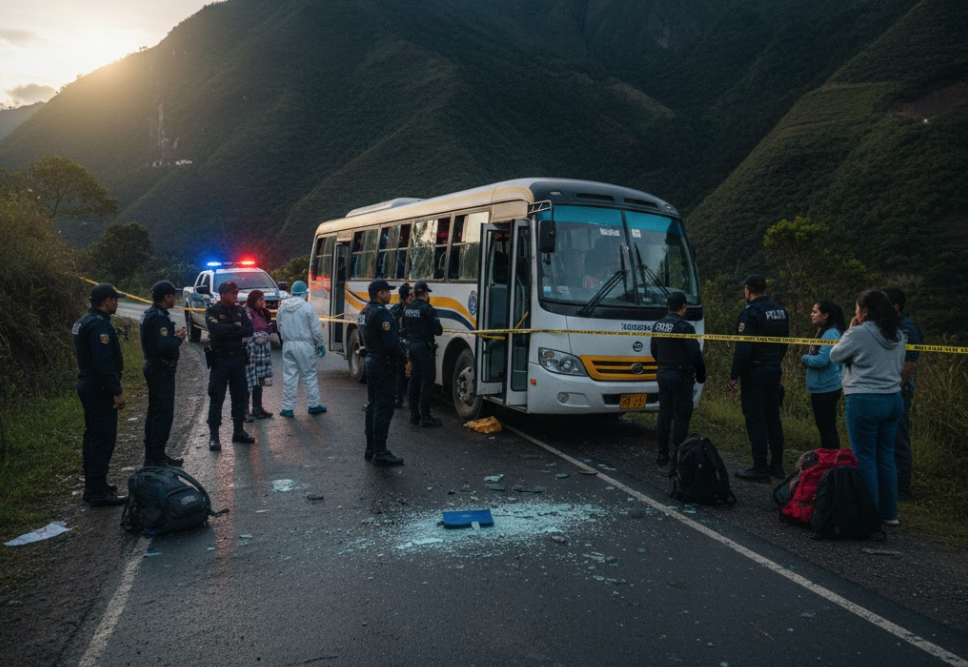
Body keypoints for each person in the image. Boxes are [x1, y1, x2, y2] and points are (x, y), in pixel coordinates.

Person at [830, 290, 906, 526]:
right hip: (893, 399)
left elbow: (835, 355)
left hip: (865, 400)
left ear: (864, 311)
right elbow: (900, 364)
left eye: (856, 309)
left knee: (864, 457)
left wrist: (851, 329)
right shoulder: (898, 335)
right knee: (885, 456)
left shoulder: (858, 333)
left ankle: (868, 514)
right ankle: (889, 513)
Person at [727, 274, 789, 482]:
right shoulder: (780, 311)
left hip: (755, 372)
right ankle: (777, 466)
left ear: (747, 290)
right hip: (773, 369)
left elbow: (743, 349)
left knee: (755, 418)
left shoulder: (750, 313)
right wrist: (774, 362)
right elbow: (785, 343)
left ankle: (760, 467)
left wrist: (734, 375)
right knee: (772, 416)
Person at [72, 283, 127, 506]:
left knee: (93, 436)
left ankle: (96, 484)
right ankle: (96, 491)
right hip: (98, 388)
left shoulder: (84, 320)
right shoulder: (98, 326)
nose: (117, 303)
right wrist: (116, 392)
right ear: (106, 300)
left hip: (90, 385)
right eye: (115, 299)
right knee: (103, 438)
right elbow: (103, 363)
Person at [650, 291, 706, 466]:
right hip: (680, 376)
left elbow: (654, 350)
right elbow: (695, 354)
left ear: (668, 307)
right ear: (684, 307)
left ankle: (662, 454)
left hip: (663, 373)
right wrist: (702, 374)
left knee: (664, 413)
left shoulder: (658, 325)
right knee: (681, 415)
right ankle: (679, 455)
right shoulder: (685, 327)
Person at [140, 280, 187, 467]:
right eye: (173, 295)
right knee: (162, 414)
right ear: (166, 297)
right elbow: (164, 346)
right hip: (160, 369)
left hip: (154, 367)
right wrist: (178, 339)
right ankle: (157, 457)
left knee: (154, 413)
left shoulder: (149, 314)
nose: (175, 298)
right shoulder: (159, 318)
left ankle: (154, 455)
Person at [359, 279, 406, 465]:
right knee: (383, 408)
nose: (390, 294)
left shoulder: (364, 311)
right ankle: (380, 451)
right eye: (387, 291)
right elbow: (392, 344)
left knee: (373, 405)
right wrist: (405, 360)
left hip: (371, 361)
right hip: (384, 364)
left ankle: (371, 448)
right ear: (380, 293)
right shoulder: (382, 314)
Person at [883, 287, 922, 502]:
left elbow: (909, 365)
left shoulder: (907, 328)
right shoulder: (888, 325)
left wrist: (897, 388)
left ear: (895, 307)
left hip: (899, 389)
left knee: (899, 439)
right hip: (884, 388)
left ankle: (901, 490)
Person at [206, 280, 255, 451]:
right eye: (232, 292)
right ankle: (214, 436)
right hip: (220, 361)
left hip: (237, 359)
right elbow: (215, 331)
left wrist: (228, 329)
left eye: (236, 292)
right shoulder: (213, 310)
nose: (235, 295)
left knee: (240, 396)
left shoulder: (240, 310)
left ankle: (239, 431)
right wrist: (235, 329)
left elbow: (249, 329)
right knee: (217, 397)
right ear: (223, 294)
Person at [276, 280, 327, 418]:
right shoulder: (308, 308)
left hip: (288, 344)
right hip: (305, 345)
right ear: (304, 293)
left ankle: (287, 408)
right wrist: (319, 345)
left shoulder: (283, 307)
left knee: (290, 376)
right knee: (309, 375)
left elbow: (278, 326)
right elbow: (316, 331)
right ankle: (313, 405)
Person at [800, 299, 846, 449]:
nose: (811, 314)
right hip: (822, 386)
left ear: (825, 315)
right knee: (825, 428)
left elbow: (822, 360)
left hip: (827, 387)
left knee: (827, 429)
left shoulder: (831, 334)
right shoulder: (824, 331)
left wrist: (804, 358)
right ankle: (827, 461)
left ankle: (832, 464)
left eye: (815, 312)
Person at [404, 280, 444, 427]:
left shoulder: (407, 309)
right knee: (427, 382)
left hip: (412, 347)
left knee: (414, 381)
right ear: (426, 294)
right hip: (425, 349)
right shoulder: (428, 309)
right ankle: (425, 416)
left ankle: (414, 415)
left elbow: (404, 329)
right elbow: (438, 330)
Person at [243, 289, 274, 420]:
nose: (263, 302)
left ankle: (257, 408)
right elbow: (249, 331)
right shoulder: (246, 312)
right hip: (250, 350)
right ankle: (244, 411)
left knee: (259, 379)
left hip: (261, 351)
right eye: (261, 299)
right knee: (249, 380)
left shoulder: (261, 312)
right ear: (254, 300)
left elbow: (267, 328)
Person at [390, 283, 414, 408]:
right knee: (399, 374)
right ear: (403, 297)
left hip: (412, 347)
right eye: (410, 295)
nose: (412, 297)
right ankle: (397, 399)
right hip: (400, 346)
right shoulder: (395, 310)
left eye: (413, 295)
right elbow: (393, 332)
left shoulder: (415, 310)